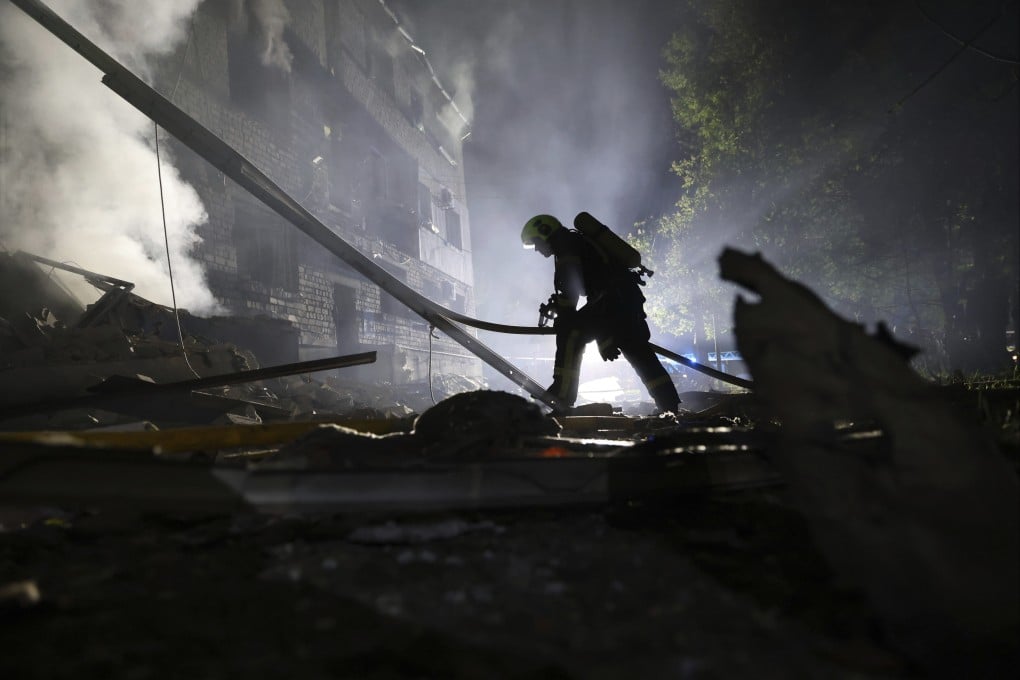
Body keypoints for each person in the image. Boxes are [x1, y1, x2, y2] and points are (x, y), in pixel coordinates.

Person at [520, 212, 681, 413]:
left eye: (536, 243)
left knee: (569, 331)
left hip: (612, 304)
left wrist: (565, 314)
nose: (537, 249)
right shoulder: (577, 241)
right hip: (625, 301)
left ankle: (562, 393)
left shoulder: (565, 247)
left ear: (545, 232)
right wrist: (603, 338)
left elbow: (570, 291)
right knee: (638, 352)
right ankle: (669, 405)